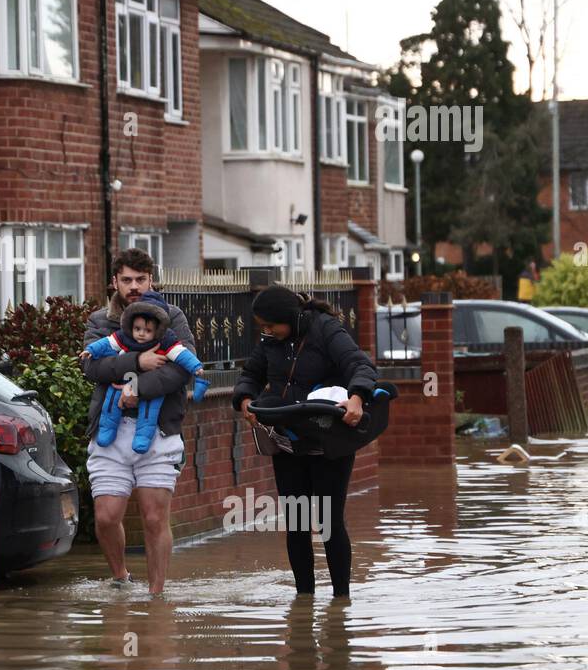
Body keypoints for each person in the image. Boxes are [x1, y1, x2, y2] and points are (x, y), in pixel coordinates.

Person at [231, 285, 379, 600]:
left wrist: (357, 397)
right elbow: (251, 374)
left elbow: (360, 364)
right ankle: (304, 601)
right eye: (263, 327)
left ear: (290, 317)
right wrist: (244, 399)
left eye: (271, 325)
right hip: (287, 439)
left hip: (329, 440)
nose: (267, 332)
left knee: (328, 521)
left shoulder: (326, 330)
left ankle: (341, 602)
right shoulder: (271, 339)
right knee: (296, 521)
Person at [81, 250, 196, 595]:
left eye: (141, 280)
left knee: (153, 517)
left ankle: (156, 595)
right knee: (105, 516)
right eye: (127, 280)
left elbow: (181, 369)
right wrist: (138, 360)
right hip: (110, 431)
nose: (134, 287)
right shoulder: (100, 321)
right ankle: (120, 579)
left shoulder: (172, 317)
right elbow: (90, 367)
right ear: (114, 282)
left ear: (151, 280)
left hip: (159, 431)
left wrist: (137, 388)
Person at [80, 290, 208, 453]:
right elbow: (106, 344)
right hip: (120, 382)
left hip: (152, 388)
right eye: (138, 329)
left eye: (147, 330)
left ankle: (143, 438)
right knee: (111, 402)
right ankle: (106, 430)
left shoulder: (166, 341)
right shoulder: (123, 336)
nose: (141, 334)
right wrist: (91, 350)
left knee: (150, 411)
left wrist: (196, 367)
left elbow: (181, 354)